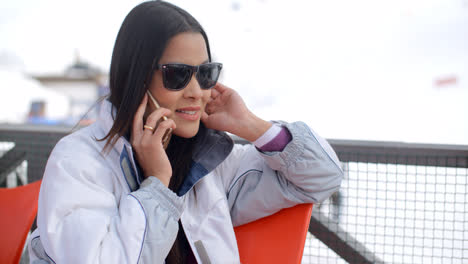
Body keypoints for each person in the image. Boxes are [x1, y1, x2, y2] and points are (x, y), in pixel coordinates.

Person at [28, 1, 343, 263]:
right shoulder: (79, 162)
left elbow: (322, 176)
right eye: (178, 74)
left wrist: (251, 125)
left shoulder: (208, 164)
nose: (197, 91)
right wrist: (157, 186)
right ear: (136, 77)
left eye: (206, 74)